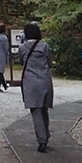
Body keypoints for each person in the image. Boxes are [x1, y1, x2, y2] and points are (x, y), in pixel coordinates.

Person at [19, 21, 54, 153]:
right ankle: (46, 134)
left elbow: (21, 61)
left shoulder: (22, 48)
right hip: (44, 80)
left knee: (36, 111)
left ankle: (42, 139)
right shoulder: (44, 46)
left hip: (30, 82)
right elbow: (50, 62)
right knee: (44, 109)